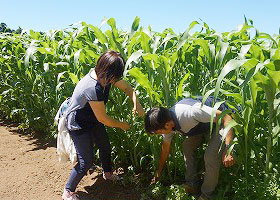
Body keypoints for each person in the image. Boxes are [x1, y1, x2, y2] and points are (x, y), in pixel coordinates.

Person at [62, 50, 145, 200]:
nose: (115, 80)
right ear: (107, 71)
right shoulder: (92, 87)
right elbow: (103, 118)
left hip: (92, 118)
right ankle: (68, 190)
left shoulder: (105, 76)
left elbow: (127, 88)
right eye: (115, 76)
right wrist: (121, 125)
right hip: (78, 122)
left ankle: (108, 174)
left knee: (105, 146)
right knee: (85, 161)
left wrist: (136, 104)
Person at [144, 96, 236, 200]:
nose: (159, 134)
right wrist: (159, 172)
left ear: (167, 124)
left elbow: (227, 118)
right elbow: (165, 150)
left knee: (210, 156)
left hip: (222, 119)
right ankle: (192, 185)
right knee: (187, 146)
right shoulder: (168, 123)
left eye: (158, 132)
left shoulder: (190, 112)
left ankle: (206, 195)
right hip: (204, 123)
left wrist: (228, 149)